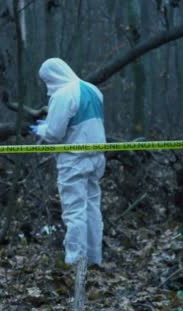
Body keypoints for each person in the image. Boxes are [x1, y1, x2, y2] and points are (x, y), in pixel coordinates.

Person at [30, 58, 106, 266]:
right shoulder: (92, 90)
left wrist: (41, 129)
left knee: (74, 210)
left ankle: (76, 260)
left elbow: (54, 133)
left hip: (74, 159)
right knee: (92, 207)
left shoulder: (63, 94)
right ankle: (94, 258)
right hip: (97, 157)